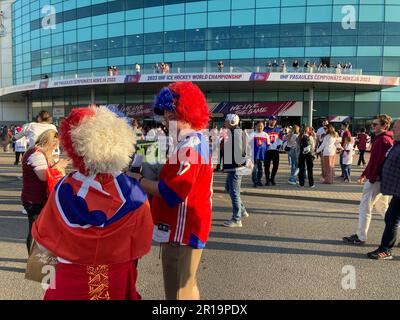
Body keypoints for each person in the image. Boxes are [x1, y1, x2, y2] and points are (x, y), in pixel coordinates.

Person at [32, 106, 153, 300]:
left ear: (76, 147)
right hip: (113, 278)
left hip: (68, 280)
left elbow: (43, 241)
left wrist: (47, 284)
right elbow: (140, 244)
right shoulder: (133, 192)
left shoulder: (64, 188)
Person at [127, 82, 213, 300]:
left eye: (169, 112)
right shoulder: (191, 142)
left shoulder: (189, 147)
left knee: (176, 295)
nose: (165, 117)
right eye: (165, 112)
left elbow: (172, 193)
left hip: (181, 233)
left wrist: (139, 180)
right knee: (187, 287)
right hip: (184, 229)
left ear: (183, 110)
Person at [343, 115, 394, 245]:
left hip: (376, 180)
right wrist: (364, 174)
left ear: (384, 126)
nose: (372, 126)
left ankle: (360, 237)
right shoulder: (384, 139)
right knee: (383, 208)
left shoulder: (383, 140)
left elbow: (377, 162)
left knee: (365, 208)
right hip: (380, 179)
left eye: (375, 124)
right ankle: (394, 232)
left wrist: (370, 177)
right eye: (372, 124)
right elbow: (374, 161)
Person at [22, 129, 69, 254]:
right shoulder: (36, 155)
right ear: (49, 143)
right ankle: (32, 260)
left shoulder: (37, 152)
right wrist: (58, 166)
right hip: (34, 199)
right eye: (54, 146)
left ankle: (36, 259)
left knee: (39, 229)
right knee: (34, 230)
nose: (54, 149)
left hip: (36, 198)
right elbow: (43, 176)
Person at [367, 119, 400, 259]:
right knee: (391, 218)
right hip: (397, 191)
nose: (394, 130)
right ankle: (386, 248)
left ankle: (386, 249)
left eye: (397, 128)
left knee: (391, 218)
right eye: (394, 127)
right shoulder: (396, 144)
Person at [222, 114, 250, 228]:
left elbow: (239, 152)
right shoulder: (237, 132)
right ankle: (242, 211)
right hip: (235, 166)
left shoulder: (236, 134)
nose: (224, 123)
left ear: (231, 122)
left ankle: (237, 219)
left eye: (226, 121)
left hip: (236, 167)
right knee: (229, 189)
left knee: (234, 192)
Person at [264, 116, 284, 186]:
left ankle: (272, 179)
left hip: (275, 151)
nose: (273, 121)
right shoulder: (264, 129)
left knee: (276, 166)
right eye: (271, 120)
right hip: (267, 151)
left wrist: (279, 146)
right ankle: (267, 180)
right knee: (267, 166)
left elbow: (282, 139)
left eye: (274, 120)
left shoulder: (278, 130)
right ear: (269, 121)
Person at [249, 121, 270, 187]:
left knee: (260, 170)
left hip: (262, 156)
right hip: (254, 155)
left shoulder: (266, 135)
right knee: (254, 170)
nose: (260, 127)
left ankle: (259, 181)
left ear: (263, 127)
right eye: (258, 126)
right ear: (255, 126)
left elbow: (268, 145)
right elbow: (248, 145)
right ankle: (255, 182)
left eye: (261, 126)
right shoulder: (252, 134)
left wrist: (266, 154)